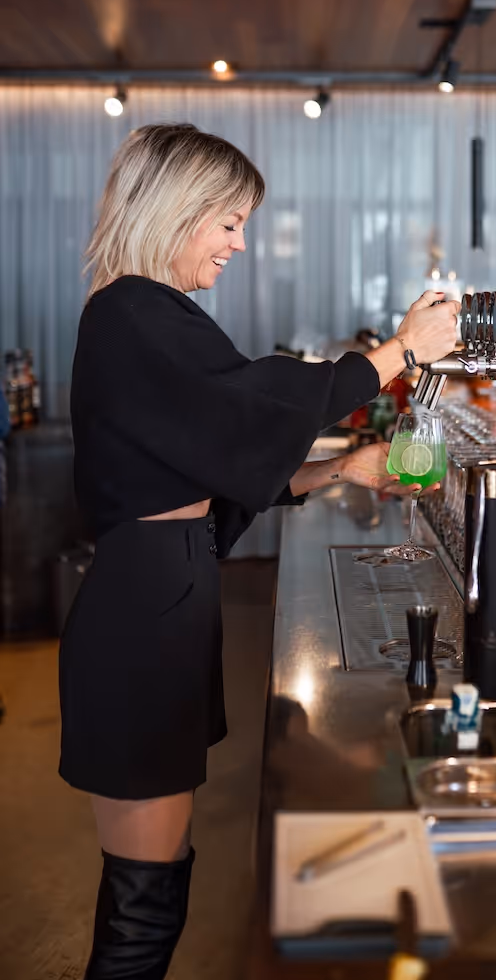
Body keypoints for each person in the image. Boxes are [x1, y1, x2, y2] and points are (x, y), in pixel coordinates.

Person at [60, 122, 460, 979]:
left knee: (158, 885)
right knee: (144, 901)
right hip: (143, 617)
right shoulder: (131, 308)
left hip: (164, 596)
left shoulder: (144, 315)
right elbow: (250, 407)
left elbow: (204, 463)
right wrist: (395, 355)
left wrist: (343, 468)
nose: (239, 243)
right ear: (176, 210)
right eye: (228, 221)